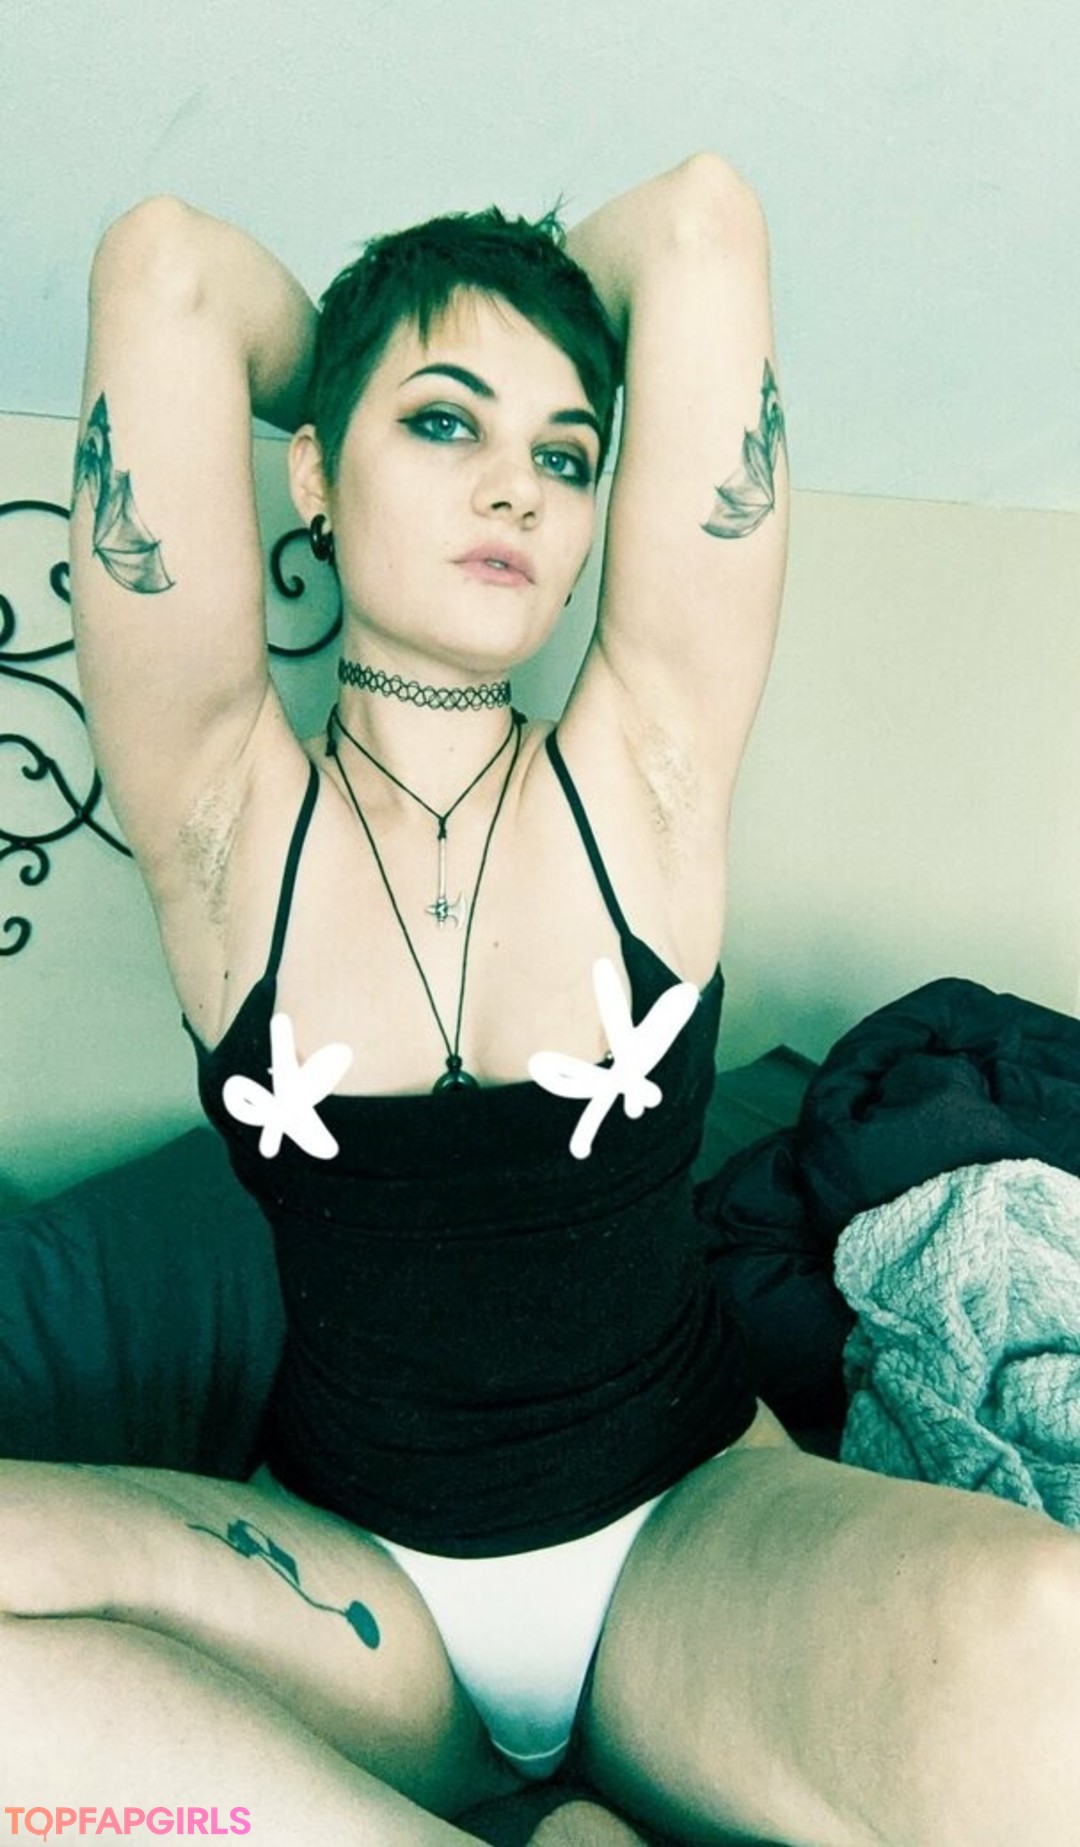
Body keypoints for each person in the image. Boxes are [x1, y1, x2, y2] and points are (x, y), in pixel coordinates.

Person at [3, 153, 1079, 1847]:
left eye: (565, 455)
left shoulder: (647, 772)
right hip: (359, 1603)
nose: (514, 487)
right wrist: (372, 341)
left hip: (685, 1545)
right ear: (313, 470)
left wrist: (471, 335)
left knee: (1049, 1638)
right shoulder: (222, 823)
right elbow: (166, 269)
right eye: (443, 424)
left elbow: (702, 218)